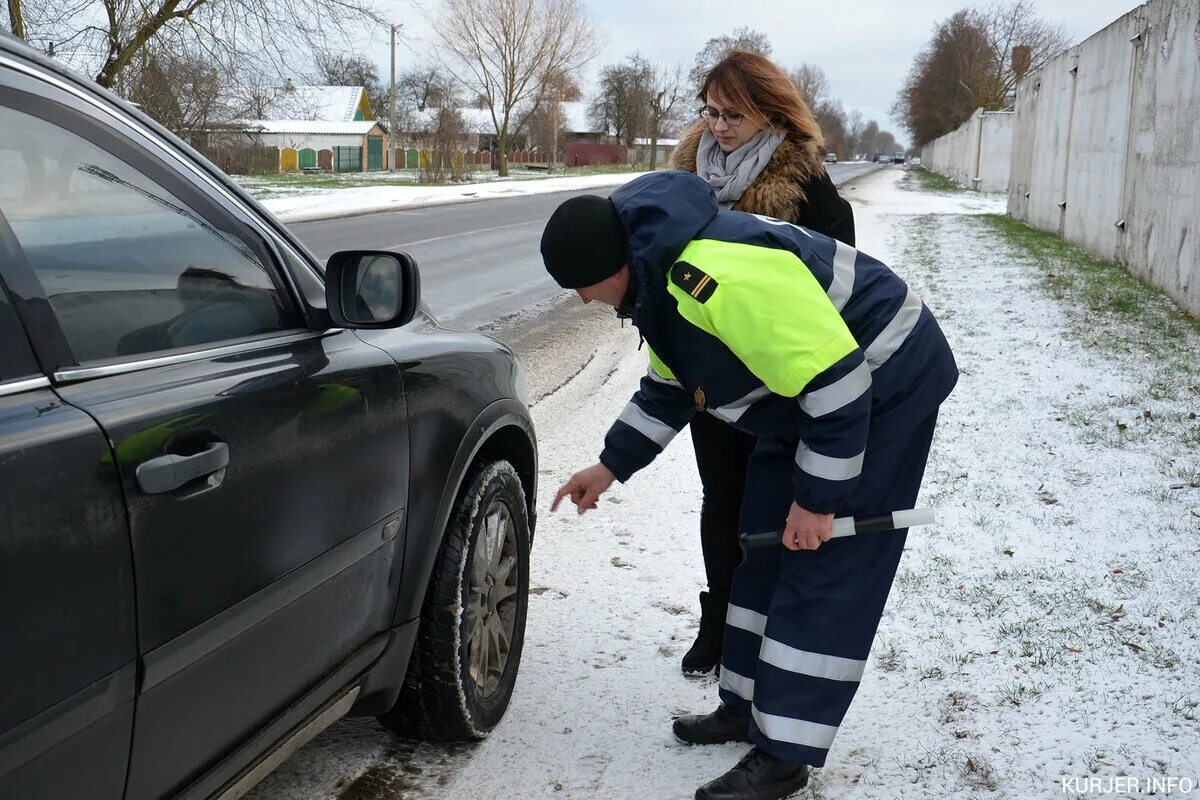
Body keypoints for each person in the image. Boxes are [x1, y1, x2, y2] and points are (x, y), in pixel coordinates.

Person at [542, 171, 957, 800]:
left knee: (821, 557)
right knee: (762, 534)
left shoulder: (715, 278)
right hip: (807, 396)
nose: (580, 300)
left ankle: (784, 754)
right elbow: (670, 385)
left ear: (615, 265)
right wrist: (609, 466)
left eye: (582, 286)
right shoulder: (658, 285)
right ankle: (746, 706)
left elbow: (841, 389)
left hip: (882, 377)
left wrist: (820, 502)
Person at [670, 49, 857, 677]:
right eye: (711, 112)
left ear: (769, 113)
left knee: (769, 504)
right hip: (709, 372)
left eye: (734, 115)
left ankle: (768, 628)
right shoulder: (683, 179)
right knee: (720, 497)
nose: (718, 126)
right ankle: (718, 621)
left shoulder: (808, 187)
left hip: (778, 382)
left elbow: (835, 288)